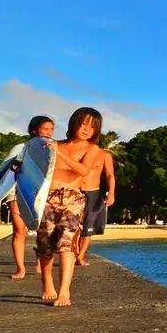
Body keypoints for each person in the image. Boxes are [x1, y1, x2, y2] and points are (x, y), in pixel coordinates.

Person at [38, 107, 104, 307]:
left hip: (73, 199)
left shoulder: (92, 149)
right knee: (45, 245)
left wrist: (61, 155)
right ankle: (47, 281)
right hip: (47, 198)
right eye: (83, 124)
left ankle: (64, 290)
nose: (86, 129)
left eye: (92, 127)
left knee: (67, 244)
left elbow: (83, 170)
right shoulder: (53, 144)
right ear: (74, 122)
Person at [7, 116, 55, 279]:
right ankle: (20, 268)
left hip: (43, 192)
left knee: (42, 231)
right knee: (19, 230)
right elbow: (9, 170)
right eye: (46, 128)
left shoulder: (54, 148)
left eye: (51, 129)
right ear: (34, 129)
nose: (49, 132)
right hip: (17, 188)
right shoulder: (21, 148)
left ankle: (39, 262)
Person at [73, 129, 116, 267]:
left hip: (94, 193)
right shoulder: (76, 151)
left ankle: (80, 256)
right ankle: (74, 253)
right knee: (73, 227)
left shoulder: (104, 155)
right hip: (75, 191)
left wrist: (112, 193)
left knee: (88, 228)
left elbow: (110, 175)